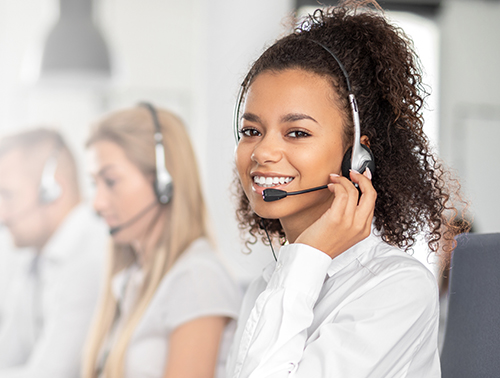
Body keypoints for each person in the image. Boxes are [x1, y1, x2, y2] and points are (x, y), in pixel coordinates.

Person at [227, 1, 466, 377]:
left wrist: (308, 257)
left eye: (297, 132)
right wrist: (304, 260)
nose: (262, 152)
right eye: (251, 131)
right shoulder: (269, 283)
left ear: (356, 156)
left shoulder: (396, 288)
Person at [82, 103, 241, 378]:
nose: (97, 203)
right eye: (95, 184)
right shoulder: (132, 280)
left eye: (110, 181)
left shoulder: (197, 279)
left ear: (163, 184)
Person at [0, 128, 108, 378]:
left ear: (53, 190)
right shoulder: (33, 254)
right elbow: (9, 353)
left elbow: (53, 373)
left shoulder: (90, 254)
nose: (2, 215)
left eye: (7, 195)